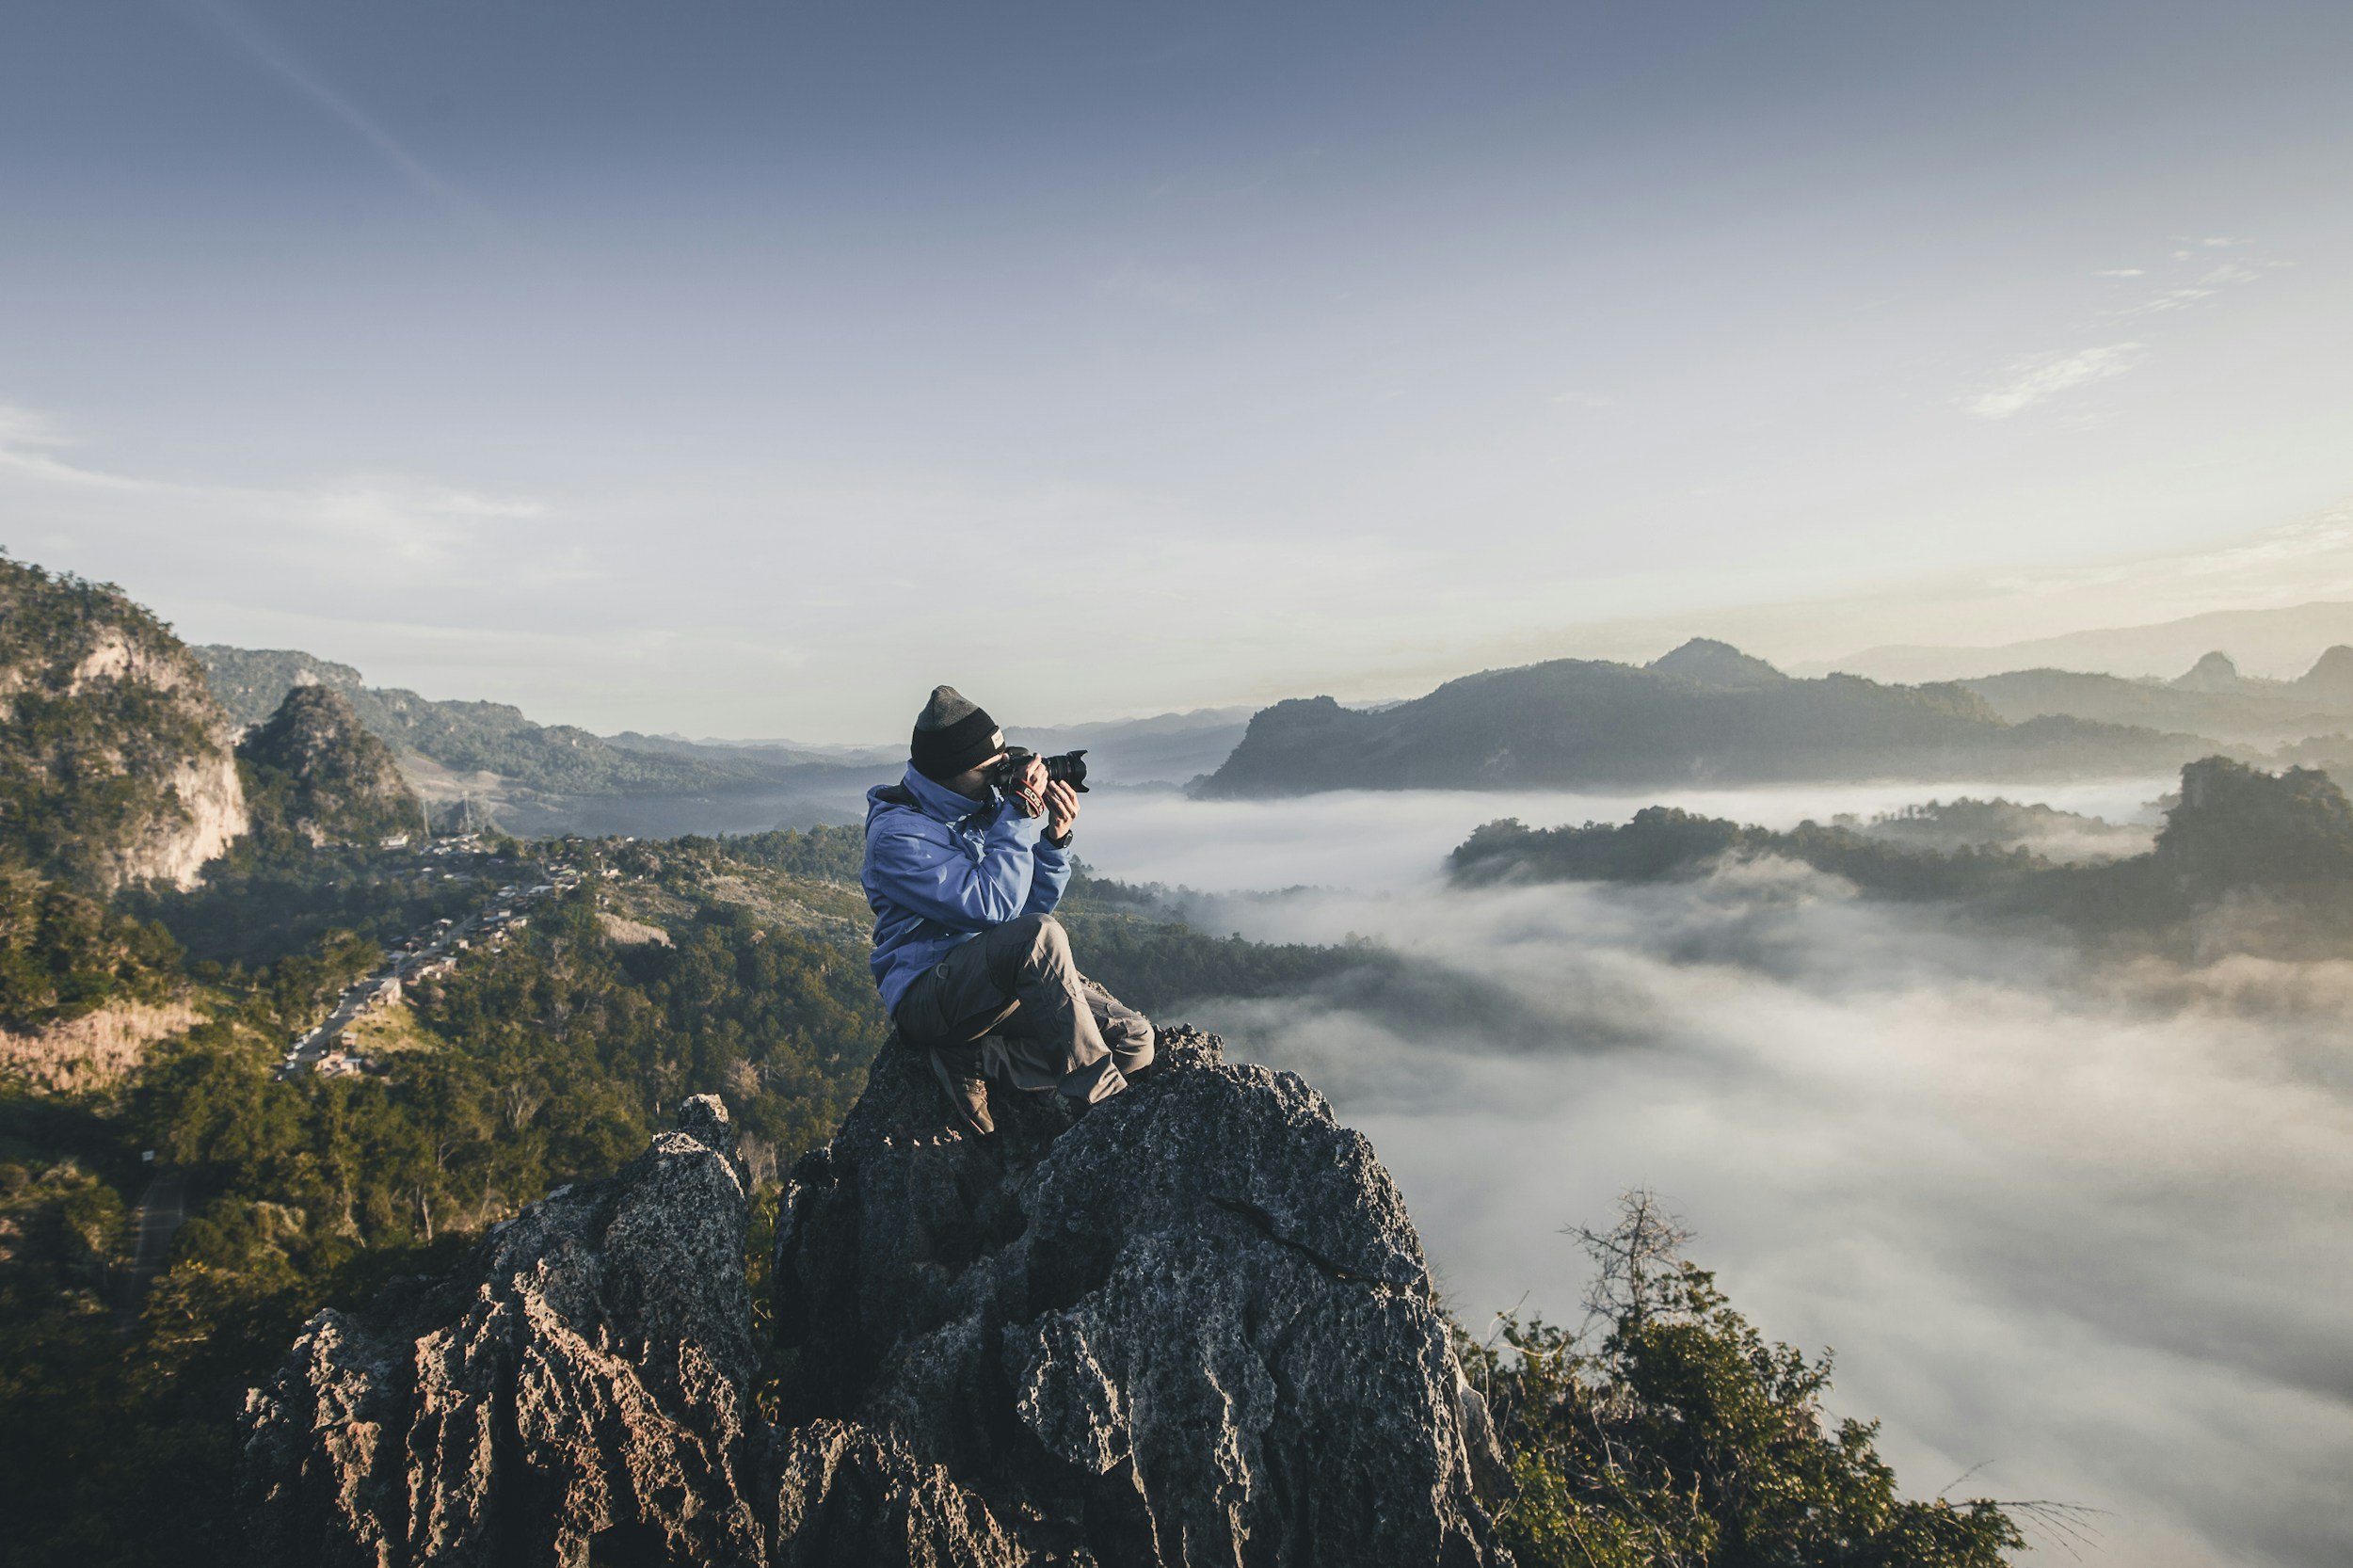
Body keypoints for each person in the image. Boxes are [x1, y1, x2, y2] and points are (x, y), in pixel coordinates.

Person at [861, 684, 1155, 1136]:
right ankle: (1102, 1109)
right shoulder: (898, 837)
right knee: (1042, 935)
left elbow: (1022, 914)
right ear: (949, 772)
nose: (1001, 778)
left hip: (991, 983)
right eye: (989, 770)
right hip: (930, 995)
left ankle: (978, 1057)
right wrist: (1016, 815)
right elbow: (996, 910)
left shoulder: (978, 808)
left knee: (1134, 1041)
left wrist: (1054, 843)